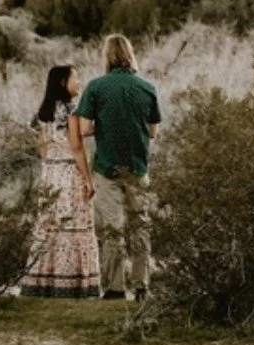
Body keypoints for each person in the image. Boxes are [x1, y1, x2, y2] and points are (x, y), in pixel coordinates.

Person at [76, 34, 162, 302]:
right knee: (140, 226)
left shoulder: (96, 87)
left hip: (106, 168)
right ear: (129, 54)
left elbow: (84, 128)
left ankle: (114, 288)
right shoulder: (147, 87)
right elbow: (153, 131)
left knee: (112, 229)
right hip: (137, 167)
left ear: (107, 56)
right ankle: (141, 286)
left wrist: (104, 125)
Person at [19, 65, 100, 299]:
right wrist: (88, 179)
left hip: (50, 175)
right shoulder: (71, 110)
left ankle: (44, 281)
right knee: (74, 225)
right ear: (64, 82)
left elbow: (43, 149)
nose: (79, 81)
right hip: (69, 173)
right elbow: (76, 147)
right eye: (75, 78)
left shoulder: (42, 112)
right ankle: (72, 284)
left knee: (50, 227)